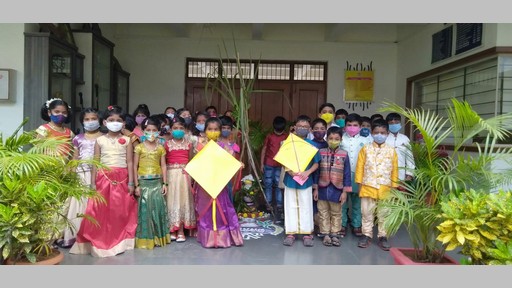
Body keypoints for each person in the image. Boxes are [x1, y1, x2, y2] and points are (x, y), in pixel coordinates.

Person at [70, 105, 138, 257]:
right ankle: (97, 240)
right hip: (103, 178)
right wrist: (93, 183)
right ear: (105, 123)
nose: (115, 122)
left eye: (118, 120)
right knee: (98, 210)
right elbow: (96, 161)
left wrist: (131, 182)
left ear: (124, 124)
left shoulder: (127, 140)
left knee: (120, 210)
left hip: (122, 178)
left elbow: (130, 162)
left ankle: (120, 240)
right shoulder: (100, 140)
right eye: (111, 120)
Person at [193, 117, 244, 248]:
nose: (213, 131)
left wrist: (237, 164)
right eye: (210, 129)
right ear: (205, 131)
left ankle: (222, 237)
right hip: (204, 183)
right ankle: (209, 238)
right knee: (206, 210)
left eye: (216, 129)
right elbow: (195, 164)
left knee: (223, 208)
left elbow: (230, 163)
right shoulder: (199, 147)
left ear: (220, 131)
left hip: (219, 183)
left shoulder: (225, 147)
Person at [60, 107, 103, 248]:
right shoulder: (78, 138)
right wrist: (71, 176)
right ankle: (76, 235)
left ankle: (96, 236)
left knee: (96, 205)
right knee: (79, 205)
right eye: (87, 119)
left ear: (100, 120)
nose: (90, 122)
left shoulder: (104, 138)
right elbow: (74, 159)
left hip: (99, 175)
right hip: (81, 174)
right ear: (82, 122)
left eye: (93, 119)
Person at [36, 98, 75, 248]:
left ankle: (58, 235)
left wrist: (70, 168)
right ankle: (45, 238)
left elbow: (72, 152)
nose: (60, 115)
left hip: (64, 172)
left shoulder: (68, 132)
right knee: (48, 205)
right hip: (47, 171)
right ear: (49, 112)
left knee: (63, 204)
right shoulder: (43, 129)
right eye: (57, 112)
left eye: (64, 112)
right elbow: (37, 151)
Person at [355, 119, 398, 251]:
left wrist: (394, 187)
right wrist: (359, 184)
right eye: (376, 132)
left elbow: (395, 169)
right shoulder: (365, 148)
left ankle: (382, 236)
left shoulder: (392, 151)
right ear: (372, 133)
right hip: (368, 186)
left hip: (386, 187)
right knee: (367, 212)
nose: (379, 134)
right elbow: (360, 166)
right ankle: (366, 235)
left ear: (387, 133)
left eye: (382, 132)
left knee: (383, 214)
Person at [281, 115, 321, 247]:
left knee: (306, 206)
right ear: (294, 127)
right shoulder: (288, 143)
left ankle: (306, 233)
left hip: (306, 180)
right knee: (290, 205)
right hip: (290, 180)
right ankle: (291, 233)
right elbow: (283, 160)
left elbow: (316, 163)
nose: (302, 129)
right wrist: (291, 172)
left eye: (305, 127)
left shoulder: (312, 145)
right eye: (300, 126)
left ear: (309, 129)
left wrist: (307, 173)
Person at [133, 116, 171, 249]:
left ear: (158, 132)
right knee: (145, 211)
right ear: (143, 131)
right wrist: (136, 185)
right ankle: (145, 239)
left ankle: (158, 237)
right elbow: (134, 166)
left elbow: (164, 166)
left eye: (154, 130)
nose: (151, 132)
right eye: (148, 130)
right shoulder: (139, 148)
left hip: (157, 182)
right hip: (143, 182)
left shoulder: (161, 148)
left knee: (158, 209)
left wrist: (165, 184)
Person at [314, 126, 352, 247]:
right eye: (331, 138)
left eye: (336, 138)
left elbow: (347, 174)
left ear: (341, 139)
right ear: (327, 138)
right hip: (322, 187)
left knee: (336, 212)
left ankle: (335, 234)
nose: (333, 141)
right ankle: (325, 233)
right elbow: (317, 172)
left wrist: (345, 191)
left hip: (337, 188)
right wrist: (315, 188)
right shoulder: (321, 152)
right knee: (323, 211)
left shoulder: (344, 154)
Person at [340, 113, 372, 238]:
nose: (352, 127)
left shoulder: (366, 140)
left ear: (360, 126)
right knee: (342, 201)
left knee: (358, 202)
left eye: (355, 125)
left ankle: (357, 224)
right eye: (349, 125)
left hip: (360, 175)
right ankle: (341, 224)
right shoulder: (341, 138)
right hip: (342, 174)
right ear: (345, 126)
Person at [165, 116, 196, 242]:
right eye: (175, 128)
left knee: (183, 201)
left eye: (181, 128)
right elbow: (164, 161)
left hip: (184, 176)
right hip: (171, 176)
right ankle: (172, 229)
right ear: (170, 130)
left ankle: (181, 230)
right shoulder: (166, 145)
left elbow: (191, 161)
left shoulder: (189, 144)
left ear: (185, 130)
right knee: (171, 201)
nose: (178, 130)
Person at [260, 116, 288, 220]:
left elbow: (264, 149)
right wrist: (262, 164)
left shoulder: (285, 136)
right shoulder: (281, 136)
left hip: (278, 164)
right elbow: (264, 149)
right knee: (273, 185)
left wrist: (262, 163)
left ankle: (275, 206)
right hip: (271, 164)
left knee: (274, 185)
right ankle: (272, 205)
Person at [309, 118, 328, 237]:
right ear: (311, 130)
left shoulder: (327, 144)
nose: (319, 131)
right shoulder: (309, 144)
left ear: (326, 130)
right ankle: (311, 226)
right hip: (311, 176)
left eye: (322, 129)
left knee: (322, 203)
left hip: (324, 177)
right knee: (311, 202)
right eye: (316, 129)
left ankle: (320, 225)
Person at [385, 112, 415, 182]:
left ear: (400, 123)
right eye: (391, 123)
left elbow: (409, 158)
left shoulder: (405, 139)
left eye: (396, 122)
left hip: (402, 175)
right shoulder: (384, 138)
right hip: (385, 175)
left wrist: (409, 174)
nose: (394, 124)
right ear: (387, 125)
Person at [218, 115, 241, 203]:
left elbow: (235, 159)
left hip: (228, 175)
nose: (226, 130)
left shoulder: (233, 145)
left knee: (228, 195)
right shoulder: (215, 142)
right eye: (223, 128)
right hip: (216, 174)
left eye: (228, 128)